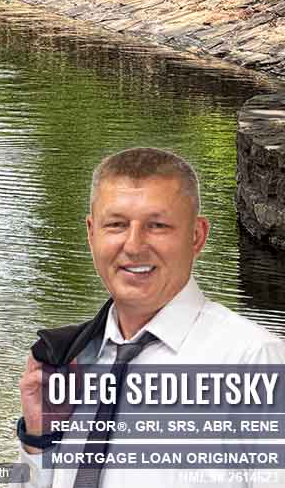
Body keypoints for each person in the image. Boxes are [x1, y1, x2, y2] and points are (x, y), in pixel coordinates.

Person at [15, 147, 285, 487]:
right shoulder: (69, 362)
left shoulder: (254, 362)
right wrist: (38, 441)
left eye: (157, 225)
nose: (133, 245)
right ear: (91, 233)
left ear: (197, 236)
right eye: (116, 224)